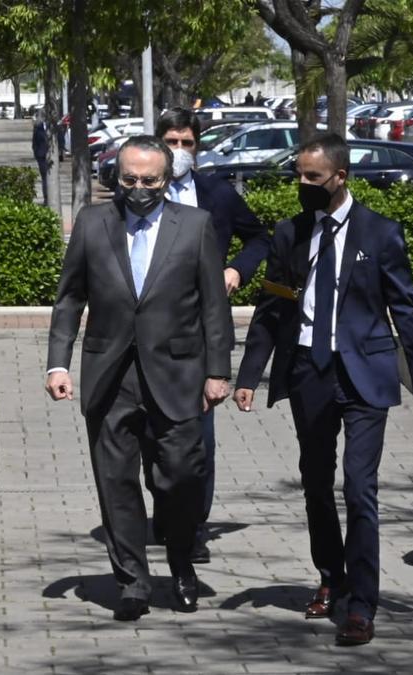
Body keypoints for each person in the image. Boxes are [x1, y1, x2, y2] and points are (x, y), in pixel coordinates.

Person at [233, 133, 413, 646]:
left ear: (340, 177)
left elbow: (404, 313)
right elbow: (272, 308)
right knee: (315, 481)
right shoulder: (290, 234)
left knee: (359, 486)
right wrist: (247, 376)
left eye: (312, 178)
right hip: (309, 371)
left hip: (365, 373)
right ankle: (331, 575)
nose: (302, 185)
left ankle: (361, 605)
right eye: (298, 176)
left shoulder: (380, 233)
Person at [45, 135, 233, 621]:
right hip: (111, 375)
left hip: (177, 375)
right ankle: (132, 582)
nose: (139, 187)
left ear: (166, 180)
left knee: (179, 478)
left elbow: (214, 305)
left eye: (149, 179)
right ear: (117, 177)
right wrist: (58, 362)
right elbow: (69, 299)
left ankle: (180, 563)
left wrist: (217, 371)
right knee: (116, 483)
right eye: (129, 178)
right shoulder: (92, 224)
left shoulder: (194, 226)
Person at [149, 107, 271, 565]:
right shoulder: (141, 192)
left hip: (203, 331)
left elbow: (260, 236)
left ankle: (195, 526)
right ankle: (166, 508)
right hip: (153, 331)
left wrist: (238, 269)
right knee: (153, 433)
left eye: (187, 143)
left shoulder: (216, 194)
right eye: (172, 142)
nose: (179, 152)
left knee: (200, 434)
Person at [31, 111, 50, 205]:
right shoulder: (37, 128)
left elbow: (60, 138)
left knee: (50, 177)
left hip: (51, 157)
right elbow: (34, 143)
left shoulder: (52, 126)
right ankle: (46, 198)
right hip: (41, 156)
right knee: (45, 177)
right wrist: (37, 154)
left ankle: (50, 197)